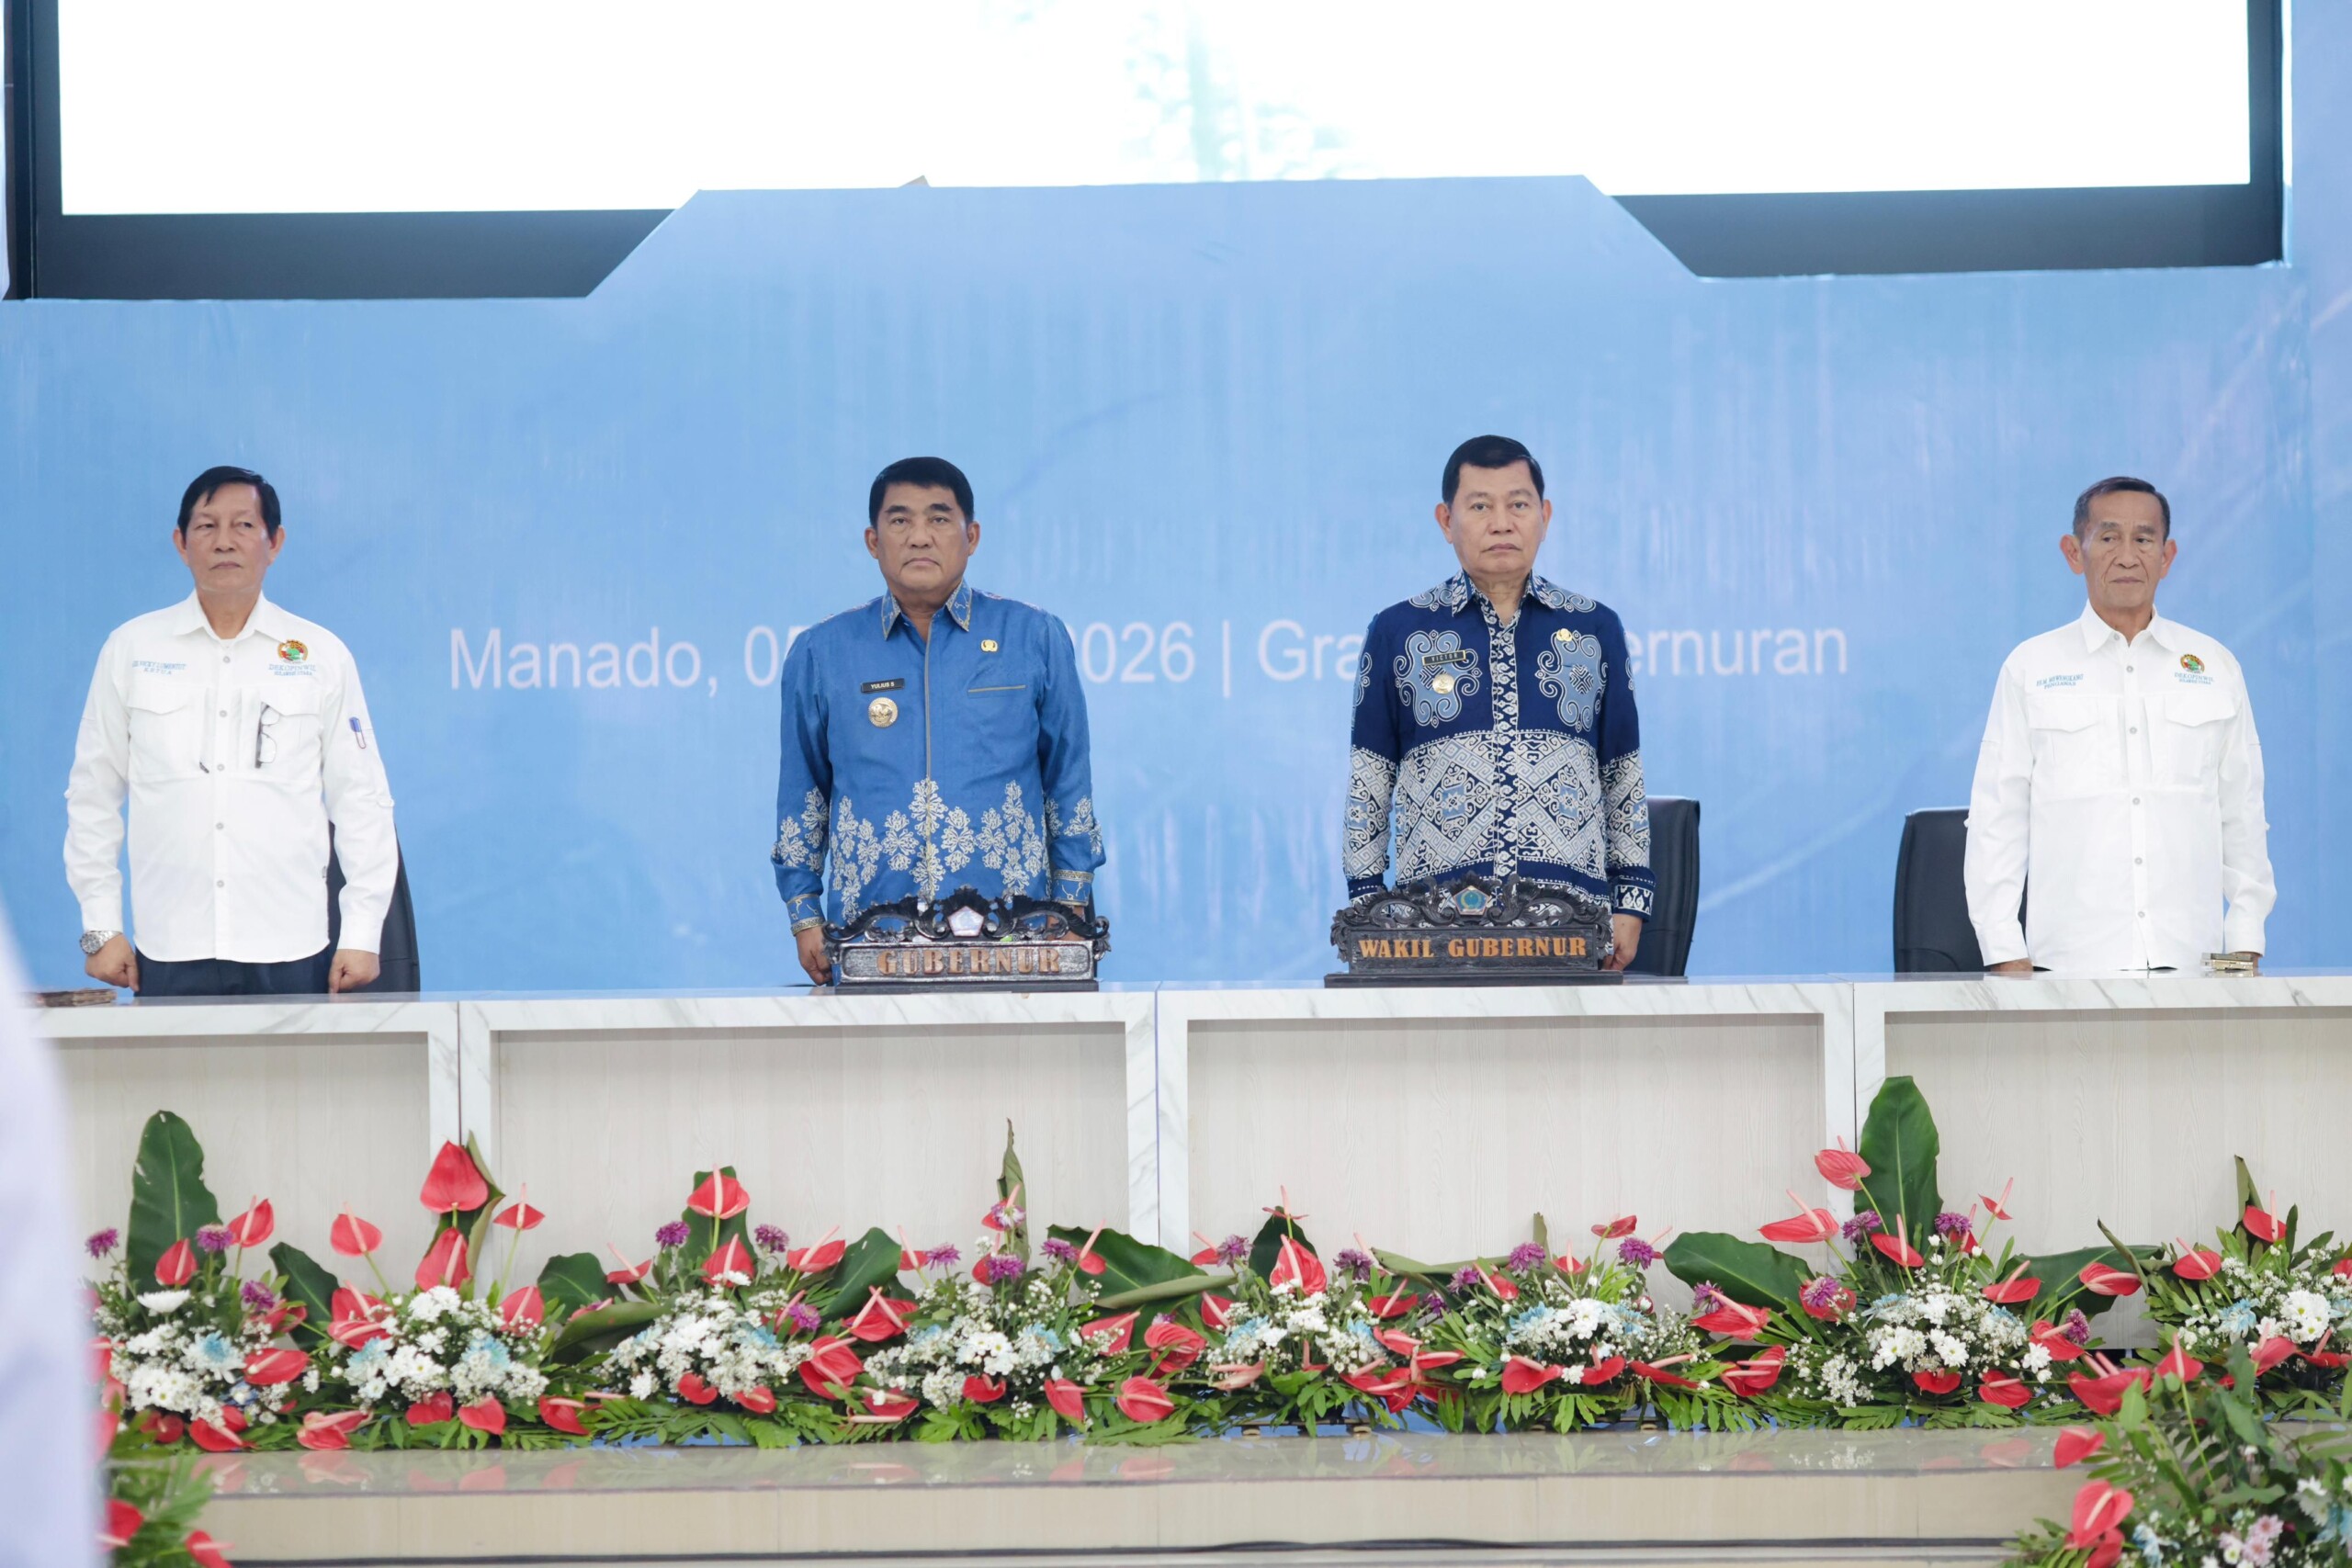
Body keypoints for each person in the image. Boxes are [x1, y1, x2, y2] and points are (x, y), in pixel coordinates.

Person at [63, 467, 399, 998]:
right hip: (169, 947)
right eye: (206, 526)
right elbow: (93, 795)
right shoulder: (131, 649)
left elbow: (361, 800)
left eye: (243, 525)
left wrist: (361, 933)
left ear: (275, 542)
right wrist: (100, 928)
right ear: (181, 543)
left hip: (292, 946)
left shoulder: (321, 655)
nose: (224, 541)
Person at [772, 457, 1102, 984]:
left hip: (1013, 936)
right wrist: (804, 914)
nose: (920, 536)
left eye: (939, 518)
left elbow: (1067, 778)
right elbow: (803, 789)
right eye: (900, 520)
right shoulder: (822, 652)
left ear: (972, 537)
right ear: (873, 541)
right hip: (869, 937)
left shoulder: (1033, 637)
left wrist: (1070, 905)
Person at [1345, 434, 1653, 969]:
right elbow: (1369, 781)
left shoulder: (1594, 629)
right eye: (1480, 506)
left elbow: (1621, 774)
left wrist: (1631, 900)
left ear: (1544, 516)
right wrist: (1367, 909)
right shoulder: (1397, 632)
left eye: (1518, 504)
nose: (1502, 523)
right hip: (1433, 926)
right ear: (1446, 521)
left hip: (1571, 924)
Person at [1964, 476, 2273, 974]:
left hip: (2192, 966)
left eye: (2144, 539)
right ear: (2074, 552)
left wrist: (2244, 941)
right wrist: (2004, 952)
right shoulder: (2031, 668)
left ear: (2167, 556)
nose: (2128, 556)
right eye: (2109, 537)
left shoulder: (2215, 666)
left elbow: (2242, 813)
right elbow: (1997, 820)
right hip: (2065, 969)